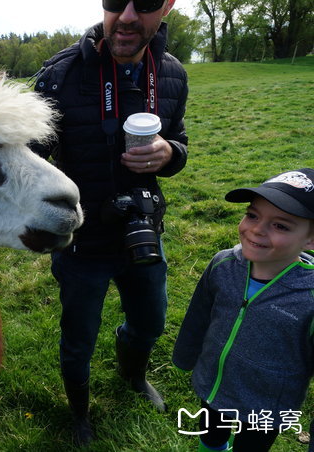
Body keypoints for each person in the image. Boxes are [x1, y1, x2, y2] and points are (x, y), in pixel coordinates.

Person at [32, 0, 188, 445]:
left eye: (146, 4)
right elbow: (25, 158)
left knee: (151, 323)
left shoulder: (172, 73)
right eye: (116, 1)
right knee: (78, 341)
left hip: (142, 233)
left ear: (168, 6)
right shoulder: (60, 76)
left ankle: (134, 377)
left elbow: (180, 139)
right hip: (83, 243)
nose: (127, 17)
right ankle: (79, 413)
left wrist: (171, 153)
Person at [173, 169, 314, 452]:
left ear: (311, 240)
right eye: (252, 215)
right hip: (213, 384)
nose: (257, 230)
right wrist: (186, 357)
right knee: (211, 437)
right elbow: (199, 315)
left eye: (281, 226)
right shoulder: (222, 264)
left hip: (267, 405)